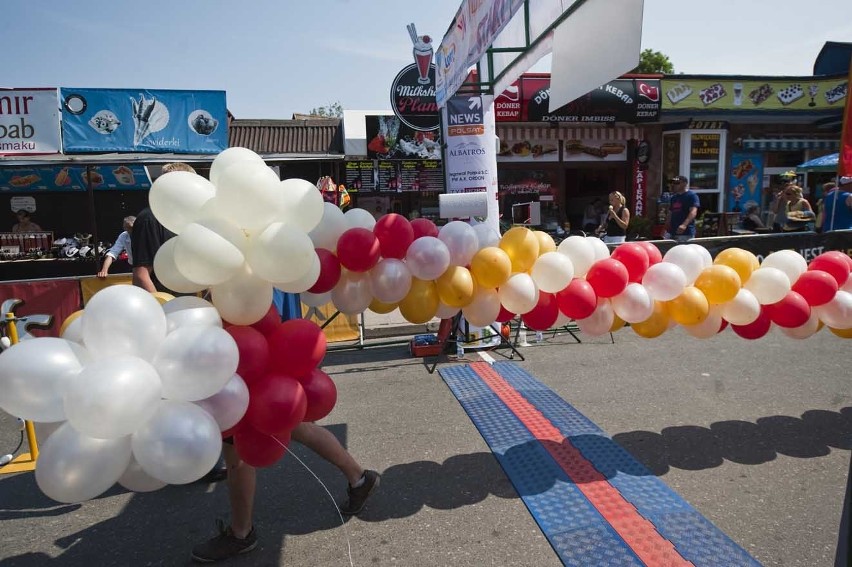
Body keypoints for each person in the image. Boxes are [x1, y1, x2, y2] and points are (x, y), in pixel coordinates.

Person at [190, 420, 380, 562]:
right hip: (264, 375)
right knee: (294, 423)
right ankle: (359, 479)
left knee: (237, 446)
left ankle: (241, 533)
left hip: (238, 378)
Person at [131, 163, 196, 292]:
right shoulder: (149, 219)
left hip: (188, 304)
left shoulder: (189, 219)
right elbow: (141, 275)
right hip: (166, 305)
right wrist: (162, 307)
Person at [665, 175, 699, 242]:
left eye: (677, 183)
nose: (674, 185)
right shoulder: (674, 197)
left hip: (686, 233)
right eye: (673, 183)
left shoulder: (691, 195)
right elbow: (671, 212)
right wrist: (666, 227)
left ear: (685, 184)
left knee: (684, 251)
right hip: (672, 232)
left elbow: (693, 211)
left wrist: (684, 225)